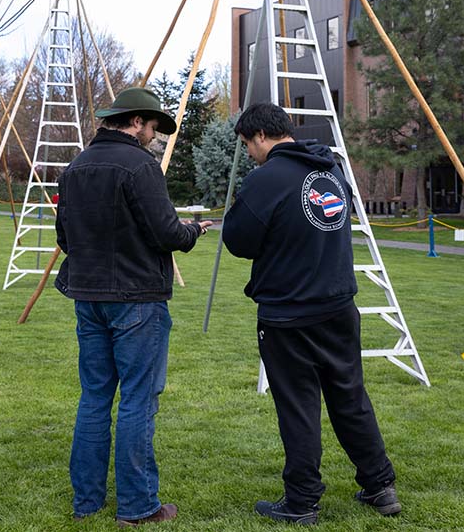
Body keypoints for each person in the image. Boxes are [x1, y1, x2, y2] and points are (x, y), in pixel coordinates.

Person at [222, 103, 400, 526]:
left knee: (299, 407)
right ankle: (380, 484)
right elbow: (340, 217)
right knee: (350, 398)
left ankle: (302, 502)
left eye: (248, 144)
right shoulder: (331, 168)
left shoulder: (267, 179)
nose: (249, 153)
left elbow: (238, 240)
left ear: (261, 136)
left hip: (289, 314)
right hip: (338, 306)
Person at [55, 86, 211, 526]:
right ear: (137, 121)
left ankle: (86, 502)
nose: (155, 136)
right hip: (137, 300)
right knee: (138, 401)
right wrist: (194, 230)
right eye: (153, 127)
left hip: (89, 299)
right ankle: (139, 507)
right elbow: (166, 233)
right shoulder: (140, 166)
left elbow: (64, 238)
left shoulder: (75, 167)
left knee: (94, 397)